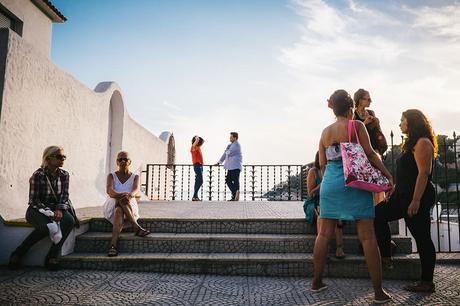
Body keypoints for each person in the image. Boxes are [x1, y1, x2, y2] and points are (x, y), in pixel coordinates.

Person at [313, 90, 393, 304]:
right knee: (367, 236)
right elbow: (370, 154)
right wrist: (387, 175)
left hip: (330, 184)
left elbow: (321, 164)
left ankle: (316, 282)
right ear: (350, 109)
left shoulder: (325, 132)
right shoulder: (356, 126)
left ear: (333, 107)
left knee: (323, 234)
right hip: (355, 183)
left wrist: (329, 180)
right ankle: (378, 292)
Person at [374, 109, 437, 293]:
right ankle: (386, 255)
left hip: (416, 197)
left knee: (422, 238)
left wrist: (416, 200)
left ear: (412, 122)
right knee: (377, 215)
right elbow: (408, 174)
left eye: (402, 120)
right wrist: (395, 189)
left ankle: (427, 282)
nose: (400, 123)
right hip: (402, 196)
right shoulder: (411, 144)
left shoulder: (423, 142)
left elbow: (423, 173)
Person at [9, 146, 76, 271]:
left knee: (69, 221)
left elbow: (64, 196)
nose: (62, 159)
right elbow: (34, 200)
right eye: (59, 156)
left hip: (56, 208)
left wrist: (59, 210)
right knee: (47, 227)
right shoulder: (38, 175)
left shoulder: (64, 175)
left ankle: (52, 256)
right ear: (48, 158)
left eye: (63, 157)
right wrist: (51, 213)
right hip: (37, 209)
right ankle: (18, 253)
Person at [103, 151, 150, 257]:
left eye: (125, 159)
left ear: (130, 162)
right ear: (117, 162)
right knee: (120, 201)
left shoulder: (135, 177)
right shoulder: (111, 176)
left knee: (119, 210)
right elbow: (109, 191)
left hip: (129, 203)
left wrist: (128, 196)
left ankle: (113, 246)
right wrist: (121, 195)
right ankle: (136, 226)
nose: (123, 161)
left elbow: (135, 190)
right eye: (120, 159)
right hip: (112, 203)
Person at [306, 152, 345, 259]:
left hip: (330, 200)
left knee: (337, 217)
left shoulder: (333, 171)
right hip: (314, 201)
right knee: (321, 217)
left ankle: (339, 248)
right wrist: (323, 184)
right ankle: (324, 249)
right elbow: (310, 194)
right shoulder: (313, 172)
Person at [353, 89, 388, 156]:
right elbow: (352, 134)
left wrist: (377, 123)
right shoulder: (353, 115)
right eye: (368, 99)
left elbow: (378, 131)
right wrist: (364, 124)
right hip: (362, 150)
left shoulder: (371, 113)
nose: (371, 101)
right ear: (360, 100)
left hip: (375, 148)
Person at [215, 132, 242, 201]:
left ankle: (235, 195)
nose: (230, 138)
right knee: (228, 181)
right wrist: (219, 162)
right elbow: (225, 154)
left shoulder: (236, 145)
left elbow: (228, 153)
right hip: (231, 167)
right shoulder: (231, 145)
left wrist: (227, 149)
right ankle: (235, 193)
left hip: (235, 166)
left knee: (235, 181)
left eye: (231, 137)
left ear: (235, 138)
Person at [191, 136, 204, 201]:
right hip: (197, 165)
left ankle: (195, 196)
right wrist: (197, 138)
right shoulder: (194, 147)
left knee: (198, 181)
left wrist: (199, 139)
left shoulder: (198, 147)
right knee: (200, 181)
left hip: (200, 166)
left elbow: (203, 141)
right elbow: (195, 143)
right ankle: (194, 196)